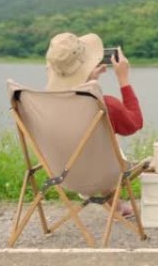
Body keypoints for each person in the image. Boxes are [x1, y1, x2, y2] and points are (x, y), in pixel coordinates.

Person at [45, 32, 142, 216]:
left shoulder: (43, 108)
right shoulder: (106, 106)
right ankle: (115, 203)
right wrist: (123, 79)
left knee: (92, 133)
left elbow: (75, 100)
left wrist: (89, 82)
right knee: (103, 131)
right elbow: (135, 124)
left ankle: (117, 205)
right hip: (102, 175)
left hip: (62, 175)